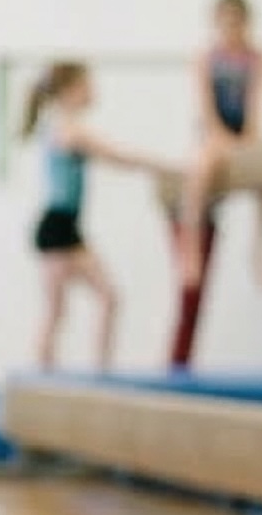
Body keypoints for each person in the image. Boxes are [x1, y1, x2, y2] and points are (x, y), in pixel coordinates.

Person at [22, 60, 172, 372]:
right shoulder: (68, 130)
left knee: (88, 303)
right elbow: (119, 157)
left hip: (64, 225)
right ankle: (52, 378)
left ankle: (95, 373)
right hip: (57, 226)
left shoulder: (59, 126)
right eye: (87, 85)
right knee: (70, 308)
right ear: (70, 91)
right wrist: (164, 166)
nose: (93, 91)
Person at [170, 0, 262, 365]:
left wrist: (250, 141)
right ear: (216, 23)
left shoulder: (257, 58)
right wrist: (221, 138)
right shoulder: (206, 58)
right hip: (213, 133)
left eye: (237, 21)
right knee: (199, 172)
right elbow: (207, 108)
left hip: (244, 132)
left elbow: (258, 103)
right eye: (224, 21)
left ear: (247, 22)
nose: (231, 28)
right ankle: (191, 250)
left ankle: (259, 251)